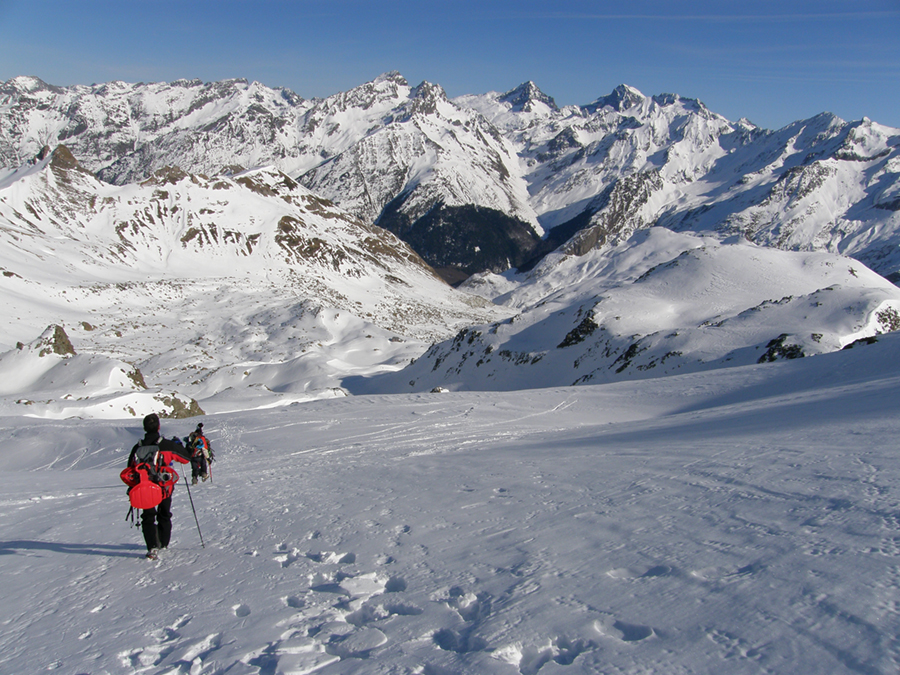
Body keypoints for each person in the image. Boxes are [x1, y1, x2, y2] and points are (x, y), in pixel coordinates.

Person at [127, 413, 191, 559]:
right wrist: (180, 446)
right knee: (164, 513)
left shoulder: (138, 447)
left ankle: (152, 547)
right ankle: (163, 543)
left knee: (148, 516)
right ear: (159, 426)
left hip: (144, 487)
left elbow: (130, 469)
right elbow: (186, 459)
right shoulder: (167, 445)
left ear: (144, 428)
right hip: (164, 487)